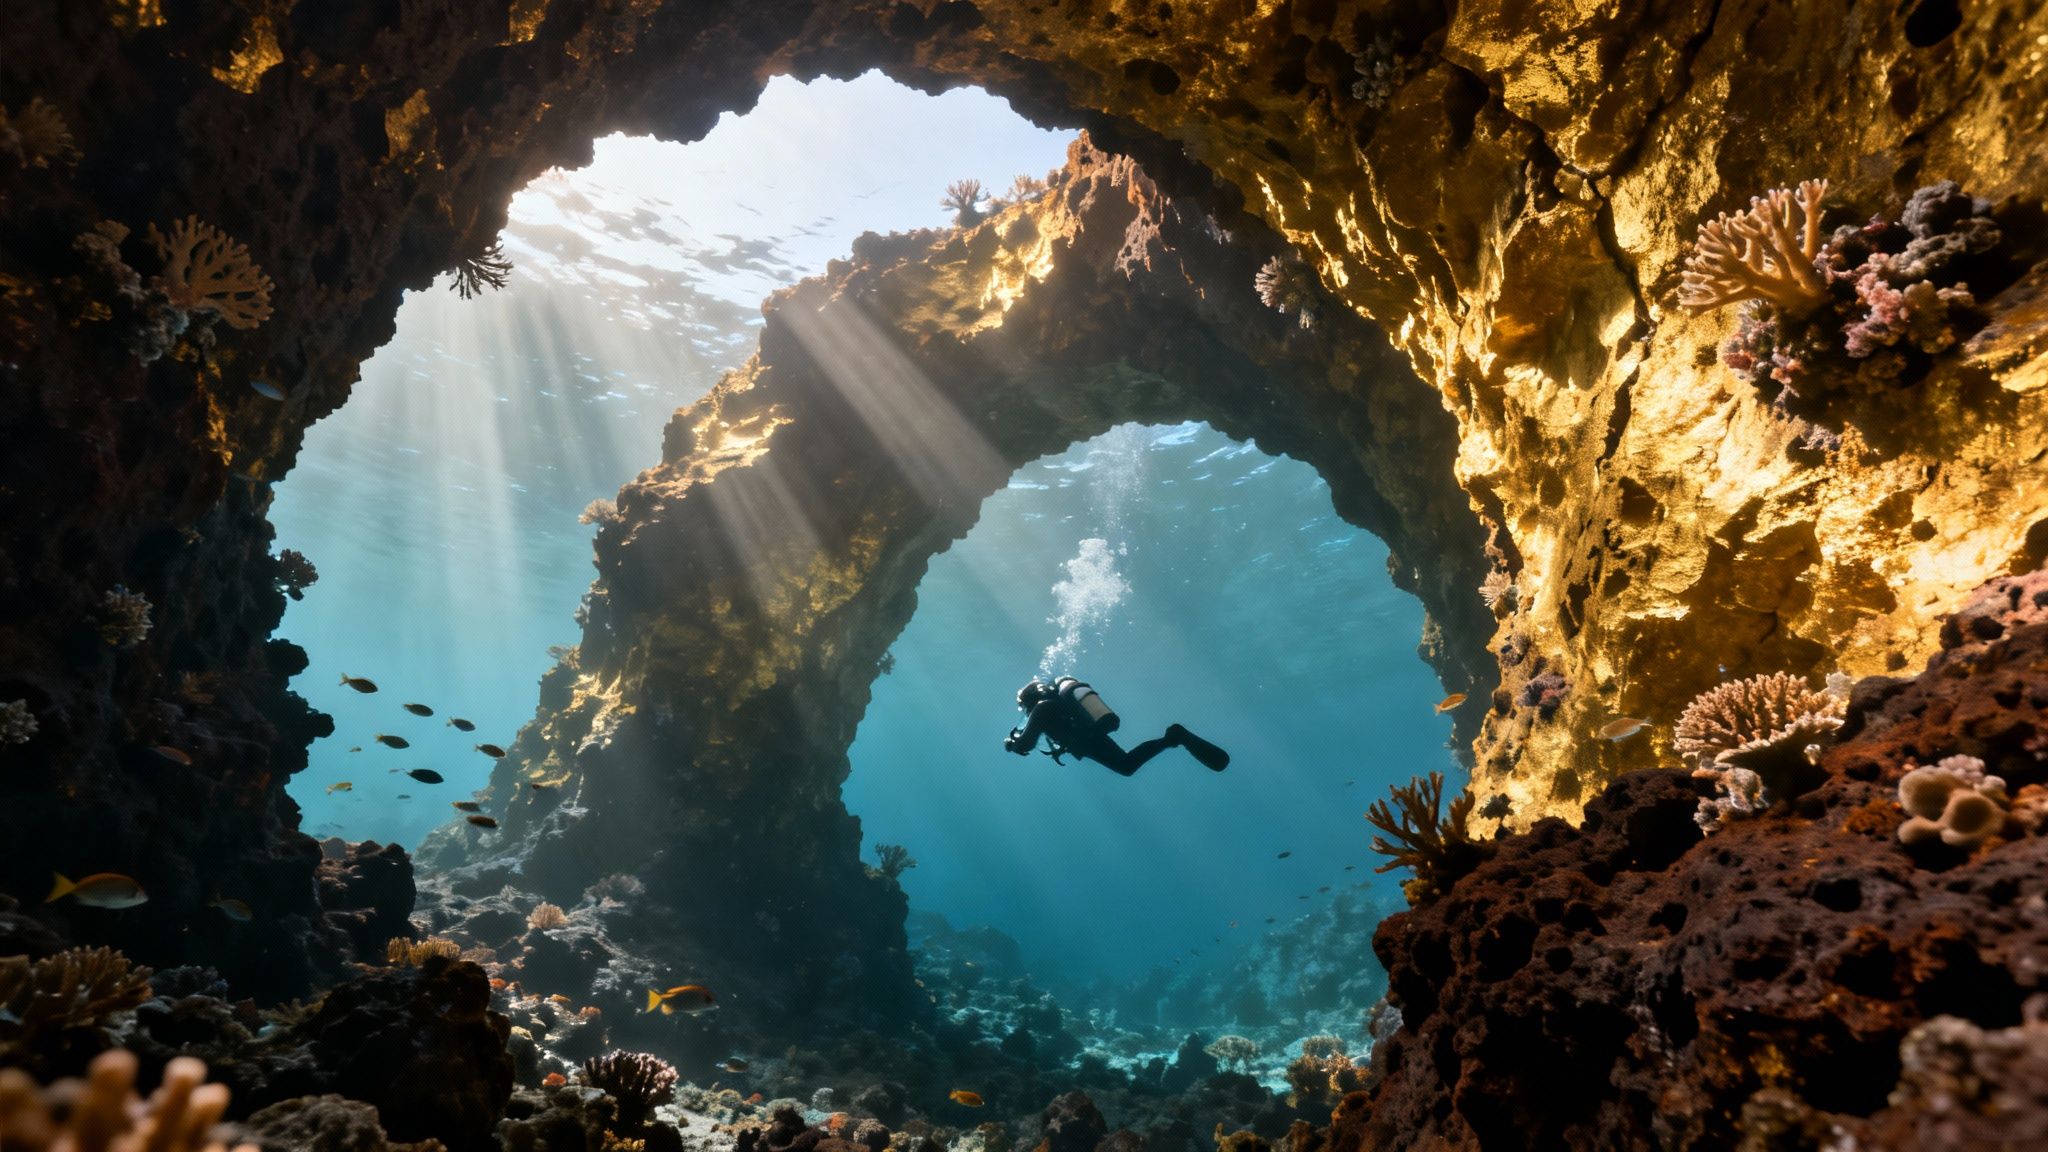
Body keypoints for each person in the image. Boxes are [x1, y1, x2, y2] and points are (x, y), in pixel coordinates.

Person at [1004, 676, 1230, 776]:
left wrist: (1011, 743)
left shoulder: (1042, 708)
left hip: (1085, 738)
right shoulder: (1052, 706)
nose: (1026, 711)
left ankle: (1174, 737)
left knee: (1126, 766)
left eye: (1024, 707)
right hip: (1089, 735)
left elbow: (1027, 743)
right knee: (1126, 765)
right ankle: (1173, 738)